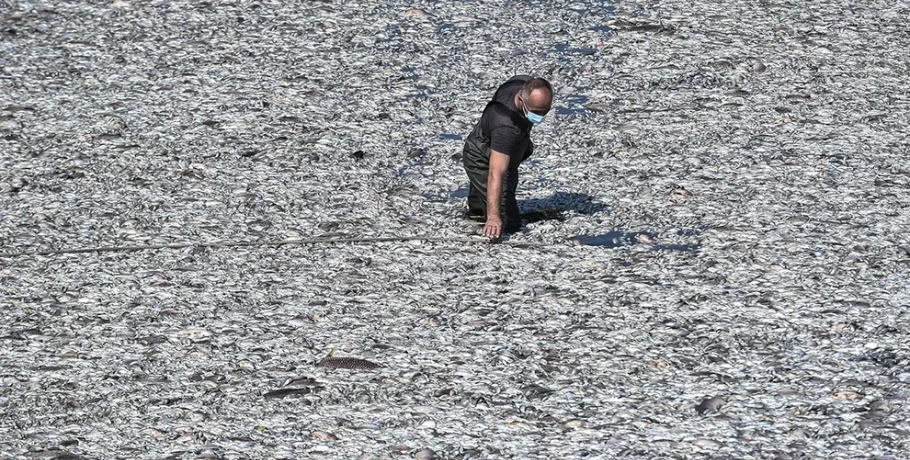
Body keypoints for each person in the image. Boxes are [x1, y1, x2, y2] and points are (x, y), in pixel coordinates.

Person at [461, 75, 553, 238]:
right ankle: (485, 215)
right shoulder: (505, 126)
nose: (541, 116)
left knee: (479, 207)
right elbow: (496, 173)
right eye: (536, 112)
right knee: (508, 220)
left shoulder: (521, 82)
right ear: (520, 99)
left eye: (545, 110)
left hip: (498, 137)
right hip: (481, 153)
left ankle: (477, 208)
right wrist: (494, 217)